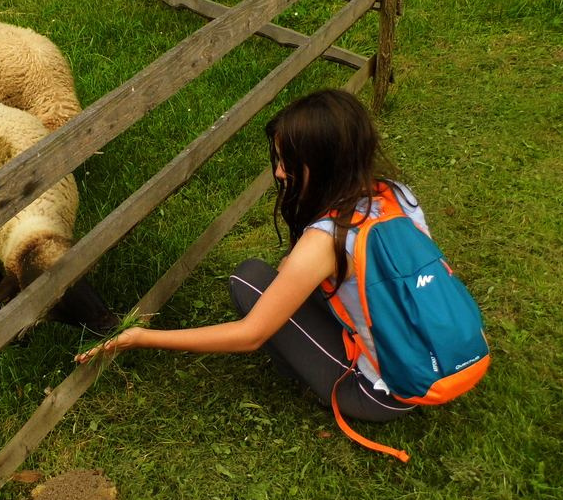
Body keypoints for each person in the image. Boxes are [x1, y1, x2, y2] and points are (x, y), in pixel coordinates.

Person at [76, 88, 427, 426]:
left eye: (288, 162)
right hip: (427, 359)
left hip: (383, 393)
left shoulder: (326, 240)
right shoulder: (395, 194)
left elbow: (250, 336)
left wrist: (142, 338)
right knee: (282, 282)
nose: (278, 172)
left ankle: (329, 379)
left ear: (321, 164)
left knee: (249, 281)